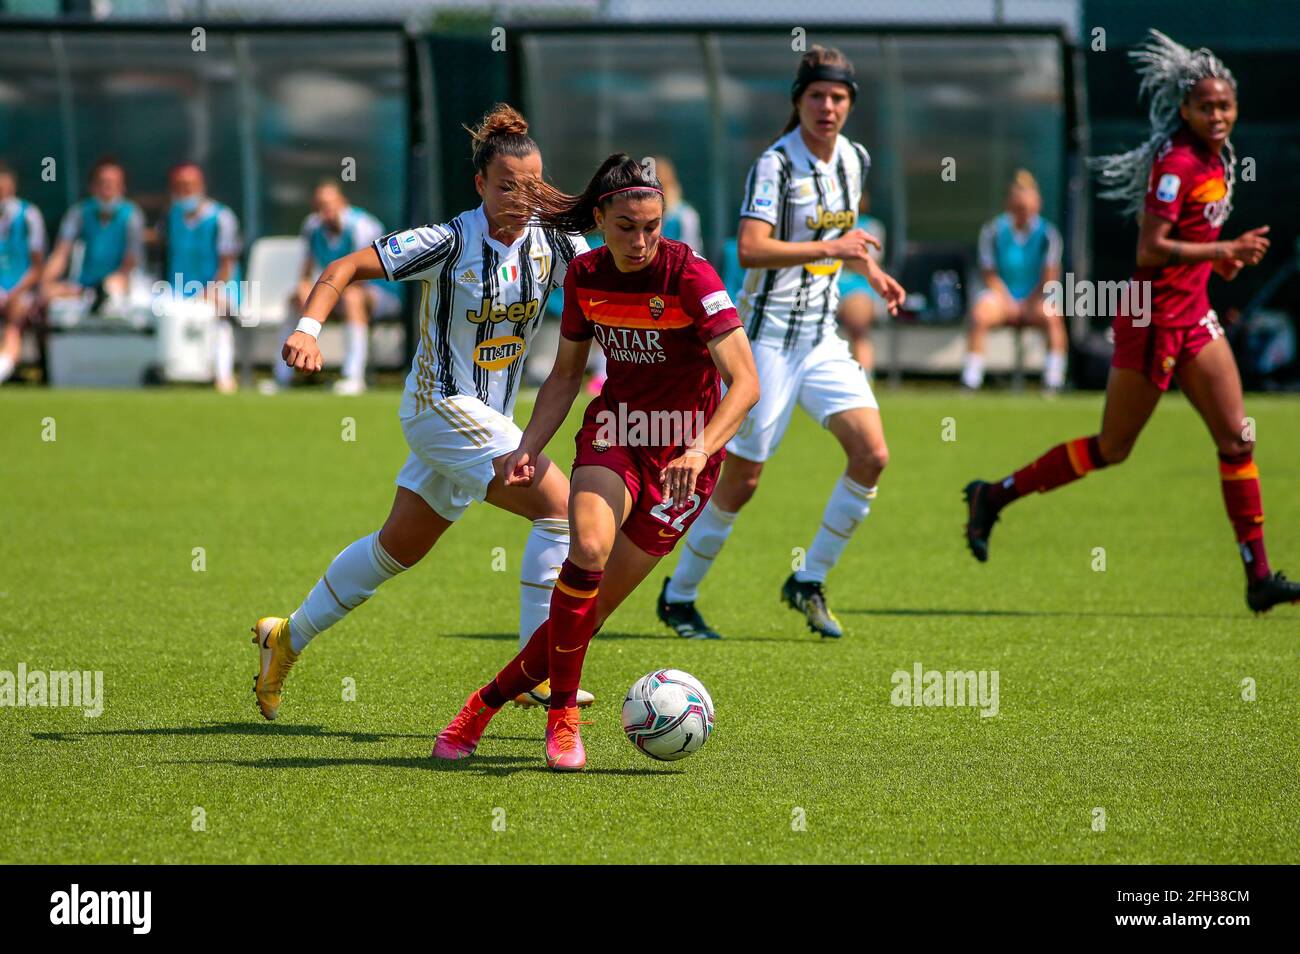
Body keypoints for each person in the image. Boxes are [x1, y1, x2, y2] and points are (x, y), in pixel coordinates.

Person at [249, 104, 593, 721]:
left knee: (396, 549)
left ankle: (287, 637)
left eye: (533, 185)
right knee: (562, 514)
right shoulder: (448, 241)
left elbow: (607, 288)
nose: (521, 198)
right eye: (507, 186)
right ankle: (538, 671)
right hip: (440, 409)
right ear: (480, 185)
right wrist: (307, 328)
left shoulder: (559, 244)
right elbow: (344, 267)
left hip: (488, 417)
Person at [430, 153, 760, 771]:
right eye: (626, 226)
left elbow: (744, 383)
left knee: (589, 615)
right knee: (586, 550)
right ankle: (562, 719)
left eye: (652, 226)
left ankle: (480, 707)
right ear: (600, 219)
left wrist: (700, 446)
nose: (640, 240)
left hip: (686, 458)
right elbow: (564, 375)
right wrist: (527, 446)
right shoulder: (583, 274)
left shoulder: (691, 277)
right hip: (615, 433)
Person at [963, 30, 1299, 614]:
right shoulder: (1176, 161)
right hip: (1152, 323)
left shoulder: (1219, 157)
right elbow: (1150, 248)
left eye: (1225, 105)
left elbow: (1194, 237)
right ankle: (994, 496)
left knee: (1237, 436)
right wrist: (1221, 253)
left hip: (1193, 316)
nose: (1217, 115)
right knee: (1113, 447)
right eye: (1205, 106)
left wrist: (1220, 261)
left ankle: (1259, 577)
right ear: (1185, 110)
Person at [658, 45, 905, 640]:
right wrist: (833, 249)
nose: (828, 106)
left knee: (872, 455)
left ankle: (808, 579)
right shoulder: (776, 164)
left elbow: (839, 230)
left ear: (850, 105)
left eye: (839, 97)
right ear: (799, 102)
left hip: (820, 339)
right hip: (765, 341)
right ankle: (680, 594)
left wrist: (867, 269)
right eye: (817, 95)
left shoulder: (855, 159)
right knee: (741, 481)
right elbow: (750, 248)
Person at [275, 182, 401, 395]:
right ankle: (284, 375)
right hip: (337, 295)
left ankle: (354, 376)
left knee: (353, 297)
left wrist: (323, 297)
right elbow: (305, 272)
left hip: (378, 294)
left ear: (343, 203)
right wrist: (305, 290)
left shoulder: (363, 225)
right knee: (297, 297)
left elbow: (363, 277)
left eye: (331, 205)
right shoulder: (312, 227)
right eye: (321, 206)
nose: (326, 211)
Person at [960, 170, 1067, 393]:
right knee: (980, 314)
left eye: (1027, 207)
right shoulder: (993, 231)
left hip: (1034, 297)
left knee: (1053, 316)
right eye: (1019, 207)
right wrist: (1007, 300)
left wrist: (1029, 303)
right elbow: (989, 273)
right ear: (1009, 204)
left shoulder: (1048, 234)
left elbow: (1050, 276)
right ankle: (971, 380)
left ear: (1037, 204)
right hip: (1002, 296)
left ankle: (1053, 381)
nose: (1023, 212)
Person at [158, 163, 242, 392]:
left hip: (219, 287)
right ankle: (168, 371)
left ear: (201, 186)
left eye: (190, 186)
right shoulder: (171, 215)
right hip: (177, 289)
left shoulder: (222, 218)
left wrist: (210, 290)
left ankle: (223, 375)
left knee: (217, 314)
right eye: (180, 186)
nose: (185, 191)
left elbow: (227, 264)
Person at [41, 157, 144, 314]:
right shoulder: (78, 213)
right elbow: (61, 253)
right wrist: (46, 281)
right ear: (92, 186)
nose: (107, 189)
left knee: (112, 289)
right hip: (83, 287)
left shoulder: (132, 216)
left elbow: (131, 263)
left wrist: (107, 285)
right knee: (47, 293)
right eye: (102, 183)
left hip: (119, 284)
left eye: (113, 184)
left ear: (122, 187)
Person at [0, 163, 47, 384]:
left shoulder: (29, 215)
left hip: (21, 290)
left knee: (15, 317)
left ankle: (4, 366)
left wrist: (15, 292)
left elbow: (38, 267)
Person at [835, 189, 887, 375]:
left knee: (858, 326)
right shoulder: (825, 226)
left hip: (858, 288)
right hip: (825, 287)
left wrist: (840, 251)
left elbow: (867, 264)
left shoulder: (871, 227)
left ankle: (864, 382)